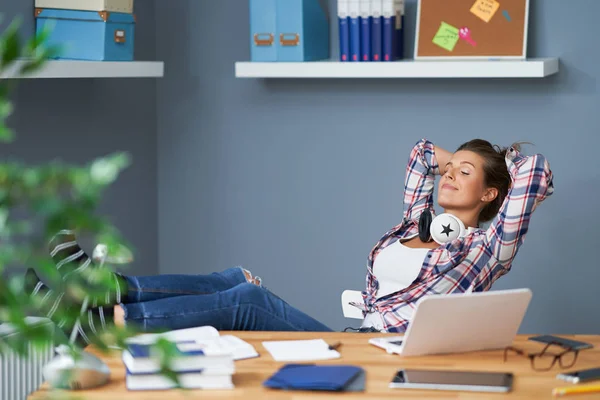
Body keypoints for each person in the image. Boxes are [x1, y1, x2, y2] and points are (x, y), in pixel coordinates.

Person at [23, 138, 554, 347]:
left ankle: (102, 322)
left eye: (467, 173)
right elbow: (419, 156)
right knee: (236, 279)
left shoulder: (485, 250)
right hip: (356, 336)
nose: (450, 176)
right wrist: (450, 158)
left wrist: (496, 164)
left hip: (381, 353)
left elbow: (534, 172)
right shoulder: (421, 224)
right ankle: (95, 287)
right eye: (450, 169)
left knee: (250, 303)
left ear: (490, 193)